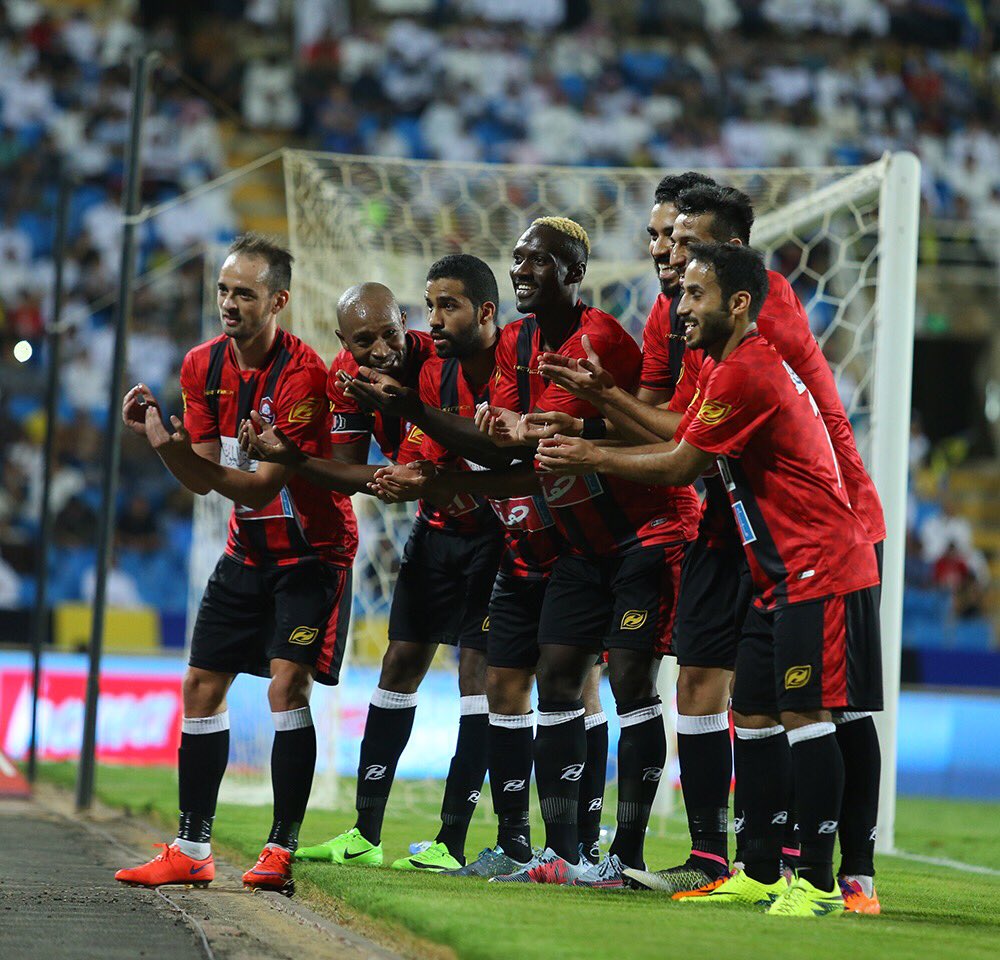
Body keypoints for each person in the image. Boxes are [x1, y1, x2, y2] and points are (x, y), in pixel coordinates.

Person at [536, 182, 886, 912]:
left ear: (730, 271)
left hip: (823, 529)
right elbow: (680, 423)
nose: (665, 253)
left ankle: (841, 874)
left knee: (828, 708)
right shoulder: (687, 317)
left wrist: (589, 449)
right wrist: (602, 401)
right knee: (740, 697)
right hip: (750, 528)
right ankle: (740, 861)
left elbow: (686, 453)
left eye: (683, 243)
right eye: (662, 238)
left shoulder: (760, 321)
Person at [357, 218, 700, 886]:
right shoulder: (514, 344)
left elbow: (622, 426)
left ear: (573, 271)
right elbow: (514, 453)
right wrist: (478, 439)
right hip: (564, 543)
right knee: (530, 680)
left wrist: (520, 436)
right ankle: (546, 851)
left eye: (535, 260)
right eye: (515, 258)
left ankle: (622, 852)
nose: (520, 269)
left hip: (635, 532)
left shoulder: (600, 338)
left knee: (628, 681)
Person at [115, 234, 358, 895]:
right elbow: (201, 481)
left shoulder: (307, 377)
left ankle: (281, 848)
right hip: (247, 551)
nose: (228, 303)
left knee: (286, 688)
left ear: (278, 300)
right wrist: (166, 446)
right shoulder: (201, 366)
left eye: (244, 293)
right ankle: (192, 847)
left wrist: (184, 454)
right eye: (223, 290)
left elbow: (257, 486)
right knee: (199, 686)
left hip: (312, 554)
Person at [245, 260, 505, 872]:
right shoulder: (343, 380)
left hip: (495, 532)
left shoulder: (441, 364)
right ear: (345, 344)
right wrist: (294, 458)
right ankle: (364, 832)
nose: (382, 348)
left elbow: (432, 468)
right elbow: (349, 471)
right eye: (365, 340)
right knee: (399, 665)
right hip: (436, 530)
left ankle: (452, 840)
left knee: (479, 679)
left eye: (391, 332)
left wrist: (406, 477)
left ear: (405, 323)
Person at [360, 260, 609, 879]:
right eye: (431, 306)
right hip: (512, 545)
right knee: (507, 684)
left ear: (492, 315)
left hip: (571, 543)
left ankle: (590, 843)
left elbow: (517, 453)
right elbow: (452, 444)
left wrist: (442, 460)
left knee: (581, 683)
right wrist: (424, 474)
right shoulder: (435, 367)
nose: (434, 319)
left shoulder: (531, 364)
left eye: (449, 305)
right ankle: (521, 842)